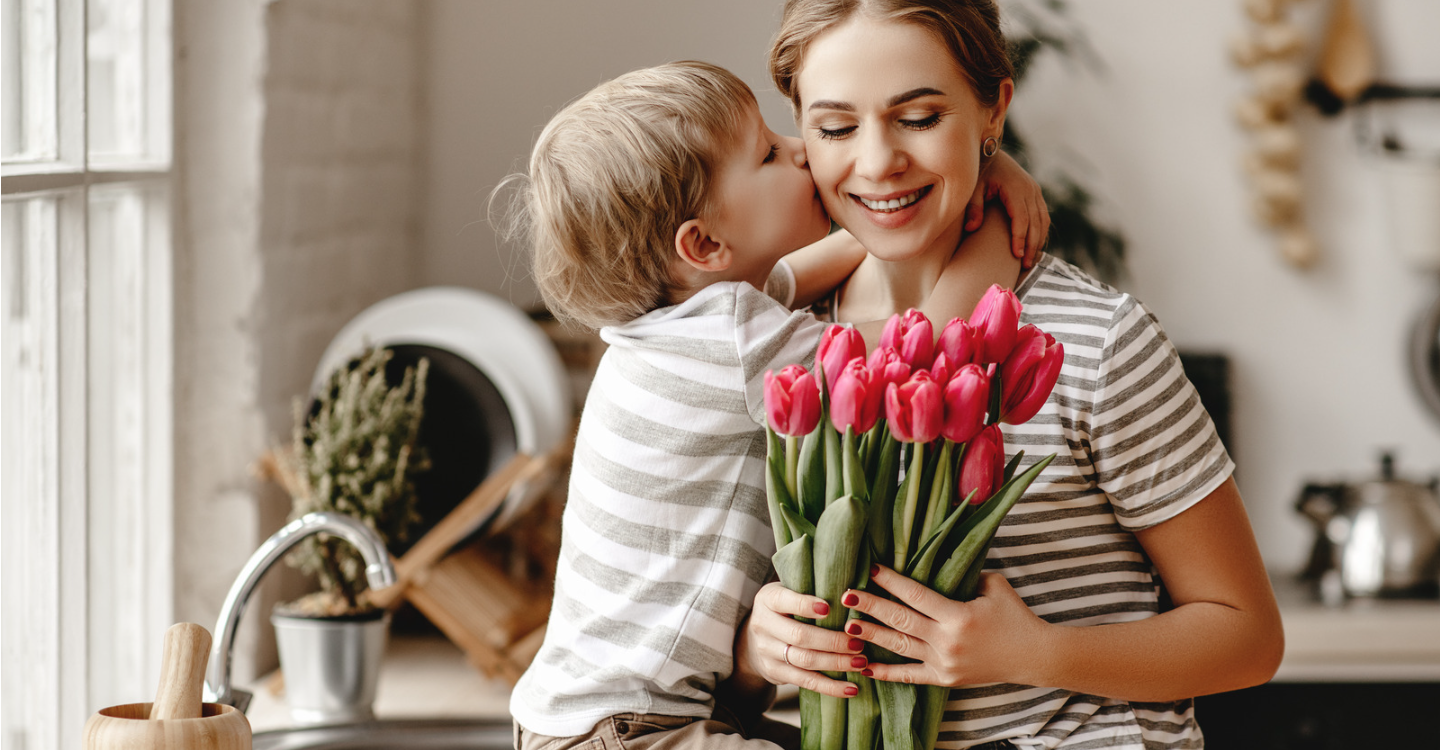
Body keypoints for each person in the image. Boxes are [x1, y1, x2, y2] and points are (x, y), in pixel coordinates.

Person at [732, 2, 1286, 748]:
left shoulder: (1100, 342)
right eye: (835, 128)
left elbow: (1247, 637)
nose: (877, 161)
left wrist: (1034, 652)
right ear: (800, 131)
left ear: (994, 108)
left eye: (920, 117)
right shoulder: (770, 342)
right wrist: (758, 651)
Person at [503, 60, 1047, 750]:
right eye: (766, 153)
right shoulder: (731, 341)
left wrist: (961, 176)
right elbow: (928, 348)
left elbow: (806, 270)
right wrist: (994, 227)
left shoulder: (675, 327)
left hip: (581, 716)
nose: (798, 151)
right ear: (703, 244)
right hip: (635, 729)